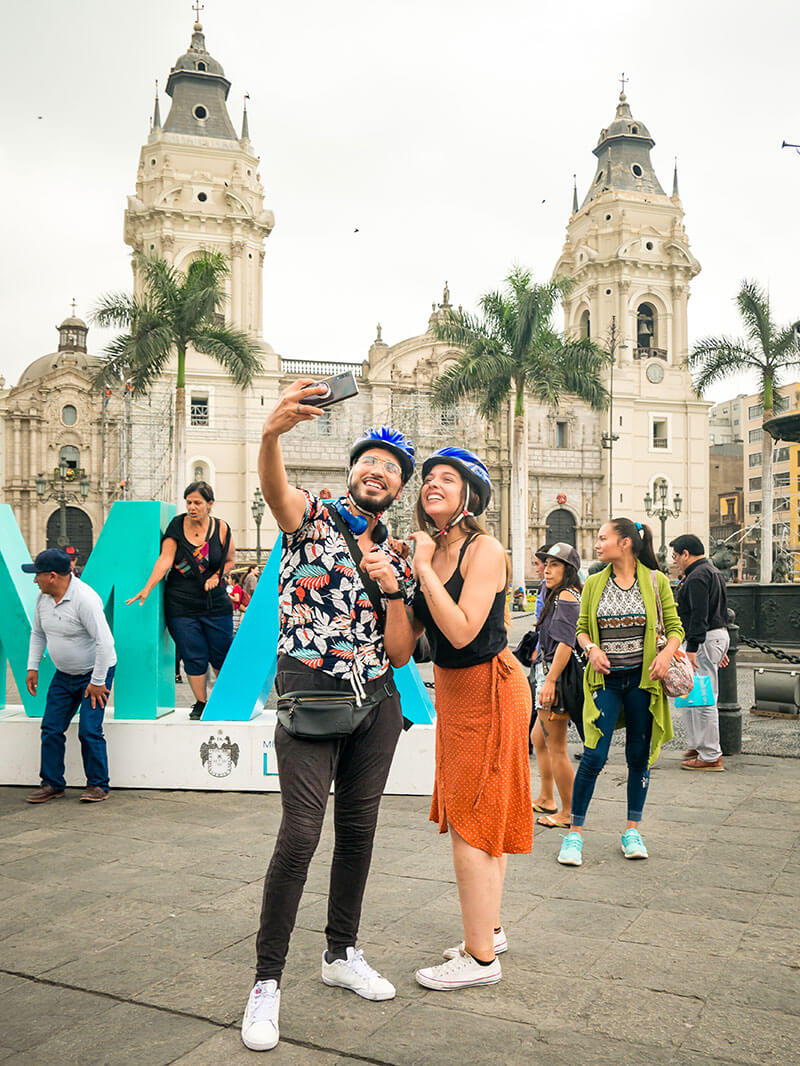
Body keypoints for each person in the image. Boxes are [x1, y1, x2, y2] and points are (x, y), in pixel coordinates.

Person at [241, 378, 416, 1054]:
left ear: (397, 491)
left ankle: (341, 953)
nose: (377, 473)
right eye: (369, 463)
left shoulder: (396, 552)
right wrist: (270, 434)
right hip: (312, 696)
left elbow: (401, 652)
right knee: (300, 835)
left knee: (360, 832)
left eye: (391, 470)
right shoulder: (310, 516)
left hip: (378, 703)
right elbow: (274, 491)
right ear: (351, 474)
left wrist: (392, 587)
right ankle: (265, 981)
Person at [408, 447, 532, 992]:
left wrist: (418, 570)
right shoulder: (432, 553)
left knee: (472, 821)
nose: (433, 484)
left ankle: (480, 960)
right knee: (482, 818)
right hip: (456, 690)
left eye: (448, 479)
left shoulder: (485, 548)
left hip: (488, 684)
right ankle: (491, 930)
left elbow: (460, 631)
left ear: (470, 496)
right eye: (428, 478)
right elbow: (407, 644)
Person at [558, 519, 684, 867]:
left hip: (643, 684)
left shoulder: (656, 581)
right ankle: (575, 834)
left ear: (625, 543)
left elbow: (675, 628)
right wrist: (591, 649)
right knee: (594, 757)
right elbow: (582, 629)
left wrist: (665, 653)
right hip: (606, 682)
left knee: (638, 757)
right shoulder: (595, 582)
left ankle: (632, 829)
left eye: (603, 538)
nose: (597, 544)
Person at [127, 481, 235, 720]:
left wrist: (218, 576)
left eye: (197, 502)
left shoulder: (222, 528)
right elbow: (165, 559)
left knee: (221, 653)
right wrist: (147, 588)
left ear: (210, 504)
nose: (192, 507)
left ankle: (224, 698)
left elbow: (229, 560)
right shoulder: (177, 525)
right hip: (181, 605)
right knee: (193, 654)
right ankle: (201, 702)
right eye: (188, 502)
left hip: (216, 603)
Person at [23, 548, 117, 803]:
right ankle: (52, 783)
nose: (35, 580)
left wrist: (97, 682)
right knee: (51, 728)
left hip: (95, 673)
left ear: (52, 576)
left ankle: (98, 785)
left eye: (37, 575)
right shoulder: (43, 599)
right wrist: (33, 667)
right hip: (64, 674)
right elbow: (38, 633)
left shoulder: (85, 600)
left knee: (89, 729)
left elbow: (105, 644)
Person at [529, 543, 583, 830]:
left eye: (555, 565)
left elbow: (565, 642)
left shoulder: (565, 597)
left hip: (555, 677)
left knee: (558, 747)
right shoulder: (560, 594)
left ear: (568, 570)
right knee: (539, 739)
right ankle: (547, 797)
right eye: (546, 564)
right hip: (548, 672)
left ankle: (570, 812)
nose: (547, 570)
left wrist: (549, 682)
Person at [669, 534, 730, 771]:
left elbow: (698, 616)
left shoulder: (696, 577)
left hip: (703, 640)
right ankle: (698, 745)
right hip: (714, 636)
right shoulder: (712, 571)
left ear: (686, 553)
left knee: (704, 698)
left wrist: (692, 648)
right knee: (691, 693)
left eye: (676, 556)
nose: (675, 561)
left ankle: (710, 754)